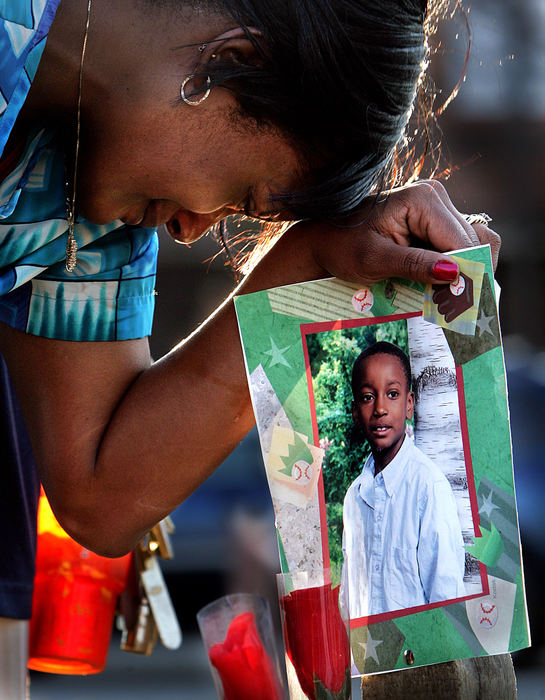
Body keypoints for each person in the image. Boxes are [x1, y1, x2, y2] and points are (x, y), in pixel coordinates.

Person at [0, 0, 499, 694]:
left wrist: (308, 266)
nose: (190, 229)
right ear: (230, 62)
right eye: (240, 196)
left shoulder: (82, 174)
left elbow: (102, 492)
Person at [342, 342, 466, 618]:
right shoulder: (354, 497)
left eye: (393, 394)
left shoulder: (428, 488)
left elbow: (447, 604)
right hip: (364, 660)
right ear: (354, 412)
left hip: (422, 660)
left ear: (409, 404)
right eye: (367, 397)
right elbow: (348, 602)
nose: (380, 409)